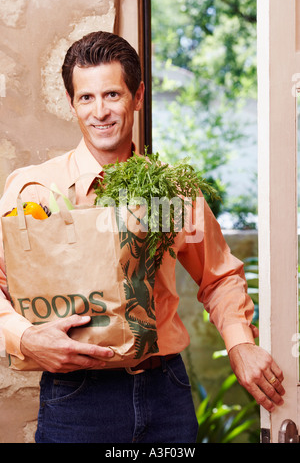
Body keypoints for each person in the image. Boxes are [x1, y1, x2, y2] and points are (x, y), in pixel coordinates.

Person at [0, 31, 285, 444]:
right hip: (77, 396)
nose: (100, 112)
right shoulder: (32, 190)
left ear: (137, 96)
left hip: (166, 390)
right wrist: (25, 338)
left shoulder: (173, 190)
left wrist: (240, 344)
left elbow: (219, 276)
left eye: (112, 95)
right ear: (70, 102)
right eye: (86, 98)